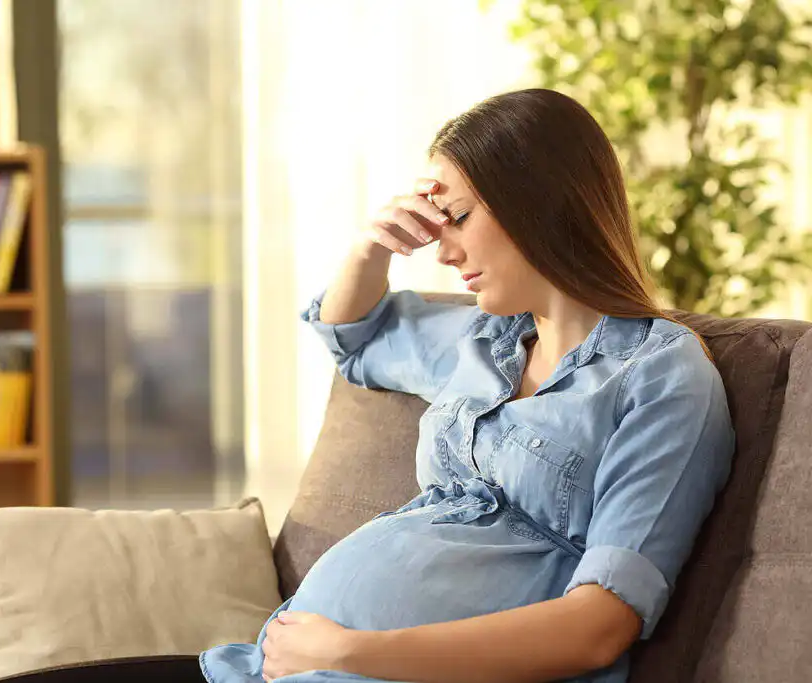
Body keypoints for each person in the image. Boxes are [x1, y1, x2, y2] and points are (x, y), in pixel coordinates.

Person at [199, 88, 735, 683]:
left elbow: (600, 626)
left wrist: (349, 652)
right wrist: (371, 245)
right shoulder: (483, 340)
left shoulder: (663, 374)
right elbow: (352, 337)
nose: (445, 251)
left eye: (457, 218)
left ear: (536, 201)